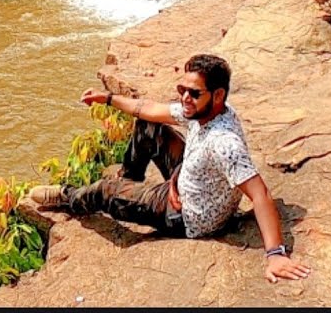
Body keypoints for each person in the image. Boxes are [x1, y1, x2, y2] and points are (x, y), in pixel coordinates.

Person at [25, 54, 311, 283]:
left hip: (188, 216)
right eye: (181, 89)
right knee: (149, 126)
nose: (185, 97)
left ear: (218, 95)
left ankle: (67, 197)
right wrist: (108, 98)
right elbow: (148, 109)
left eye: (193, 93)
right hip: (191, 182)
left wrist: (275, 254)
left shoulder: (224, 143)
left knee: (105, 190)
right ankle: (131, 181)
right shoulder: (206, 111)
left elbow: (260, 195)